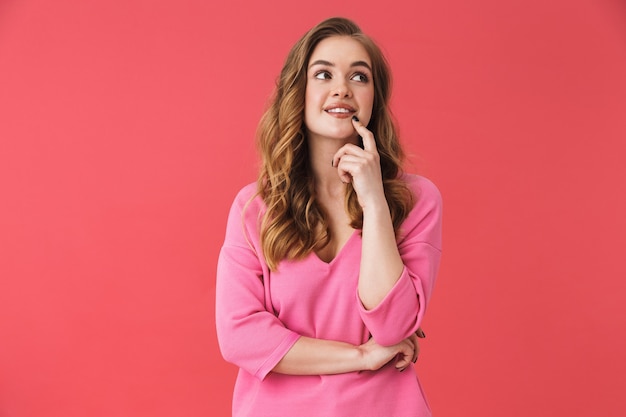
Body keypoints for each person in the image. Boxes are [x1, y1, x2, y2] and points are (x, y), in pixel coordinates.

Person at [216, 17, 442, 417]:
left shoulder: (415, 200)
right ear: (297, 92)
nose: (342, 89)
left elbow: (393, 327)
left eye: (360, 77)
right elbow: (240, 338)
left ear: (374, 98)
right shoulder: (254, 209)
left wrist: (373, 202)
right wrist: (362, 355)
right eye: (324, 74)